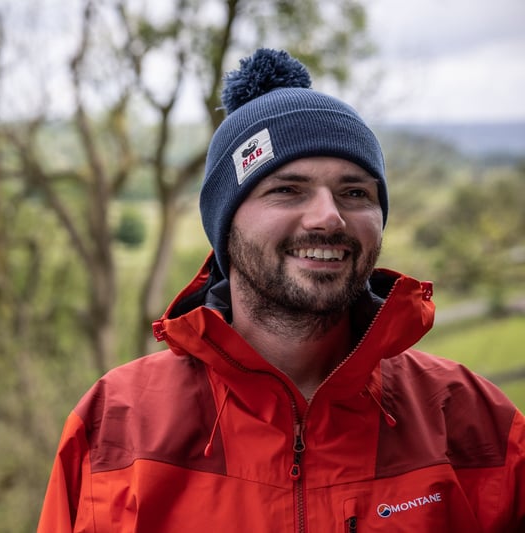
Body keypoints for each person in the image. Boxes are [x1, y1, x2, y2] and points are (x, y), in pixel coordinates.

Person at [36, 48, 525, 532]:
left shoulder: (475, 424)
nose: (328, 217)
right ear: (225, 225)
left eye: (355, 192)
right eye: (287, 190)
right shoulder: (115, 428)